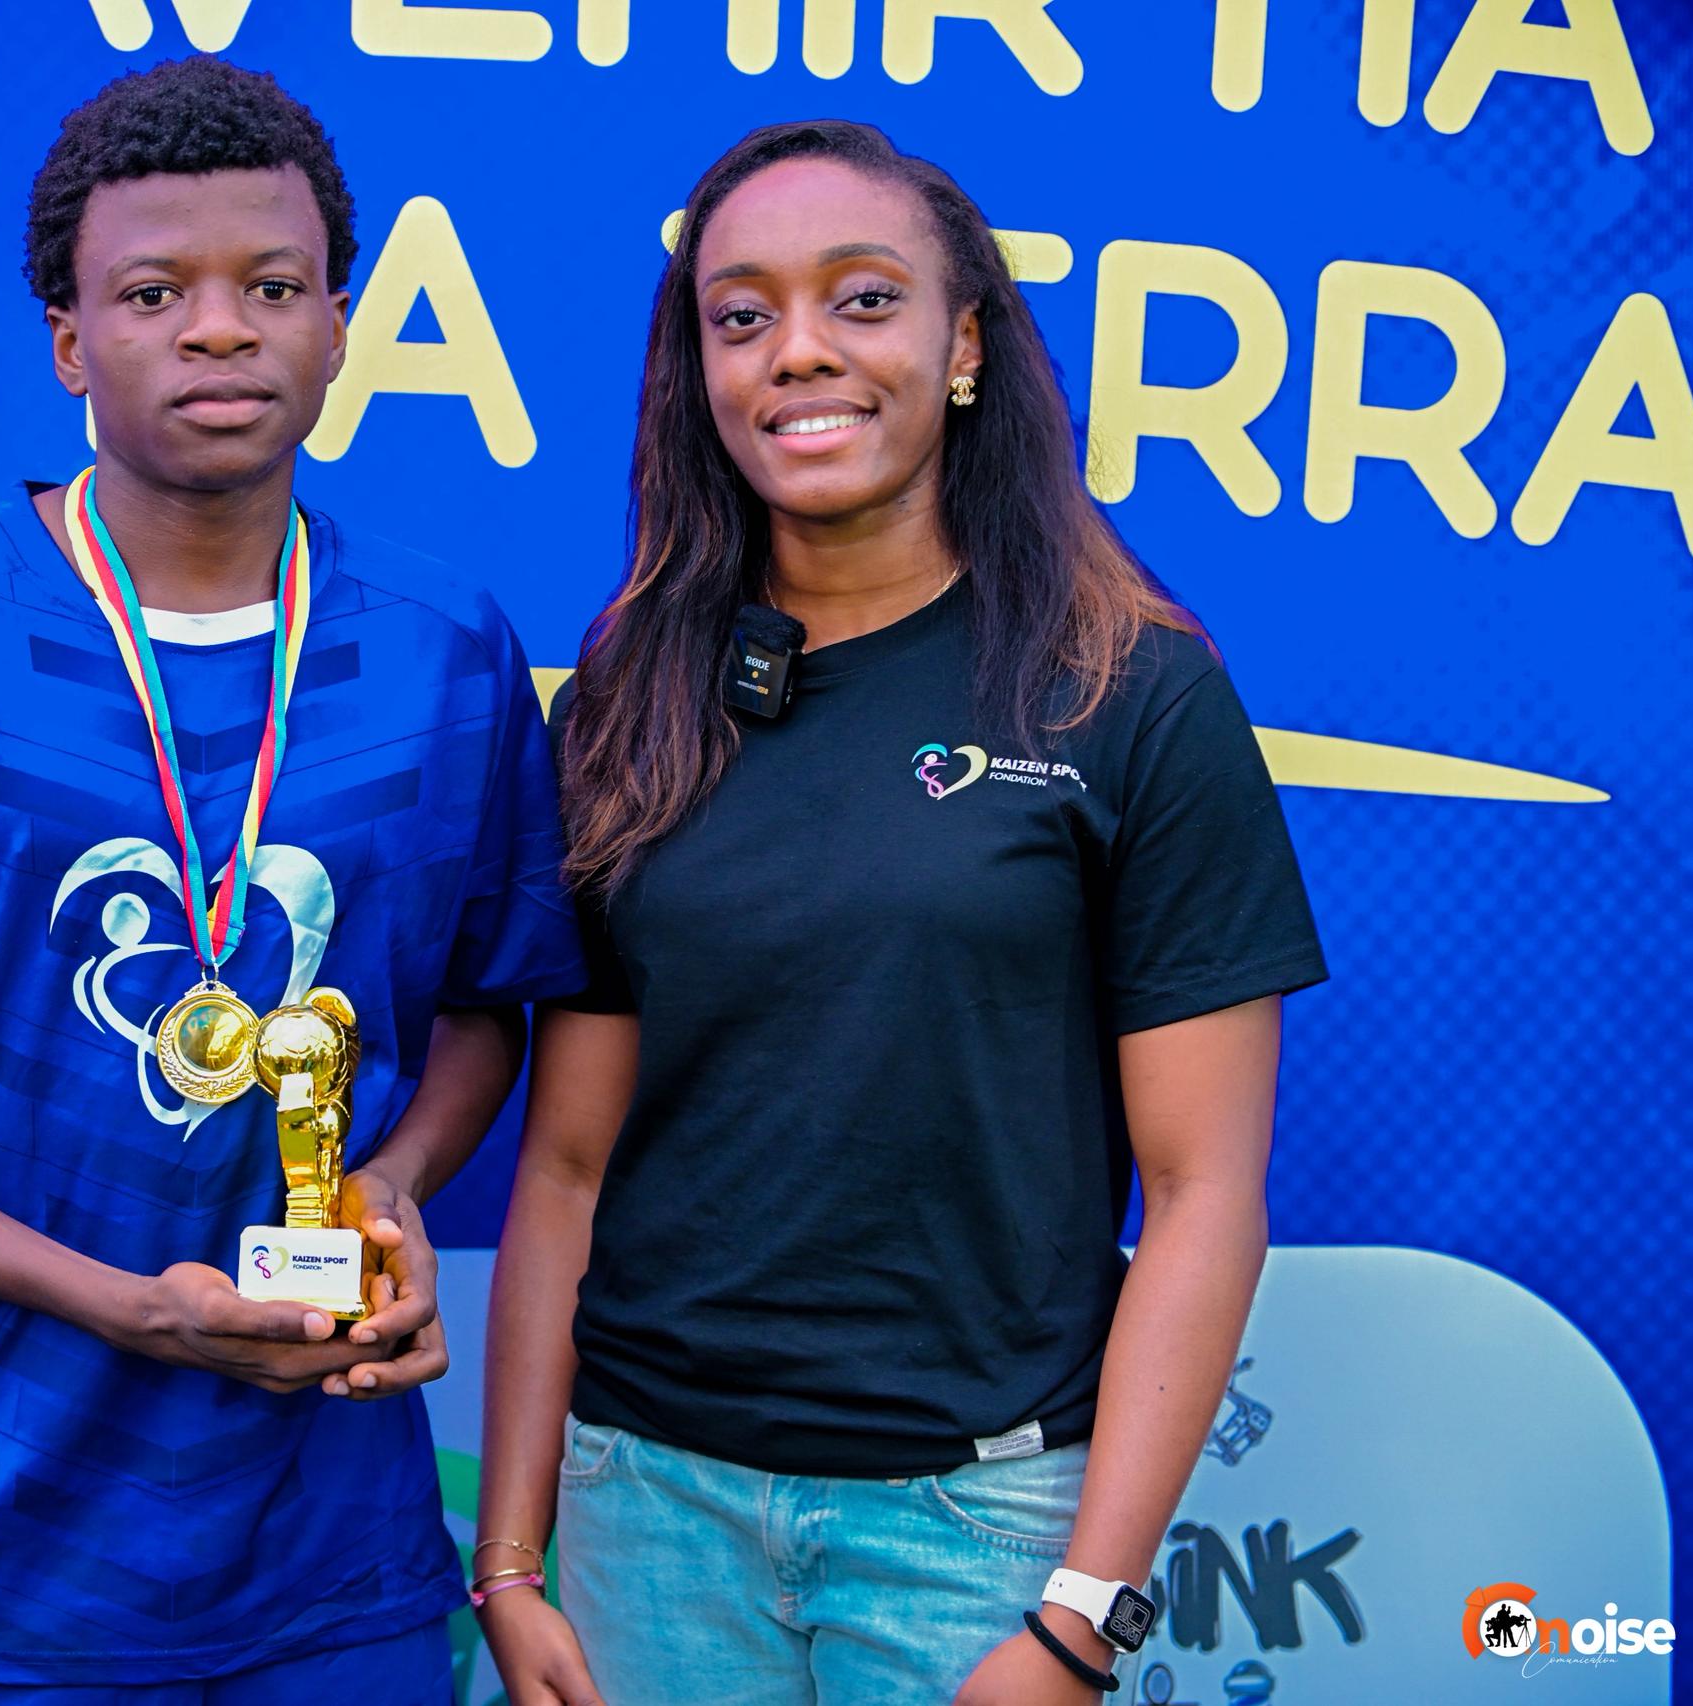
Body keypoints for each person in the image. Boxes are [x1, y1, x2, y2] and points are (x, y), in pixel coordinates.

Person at [0, 56, 582, 1704]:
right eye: (155, 292)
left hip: (335, 1575)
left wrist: (390, 1178)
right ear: (69, 340)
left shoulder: (447, 647)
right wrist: (116, 1302)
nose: (220, 329)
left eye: (273, 287)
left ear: (339, 323)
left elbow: (482, 1009)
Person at [475, 119, 1327, 1705]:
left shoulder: (1127, 690)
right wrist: (512, 1561)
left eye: (864, 299)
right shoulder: (626, 699)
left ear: (966, 345)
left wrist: (1080, 1619)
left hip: (979, 1532)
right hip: (648, 1515)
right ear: (699, 372)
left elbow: (1203, 1189)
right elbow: (569, 1162)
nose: (799, 350)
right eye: (742, 315)